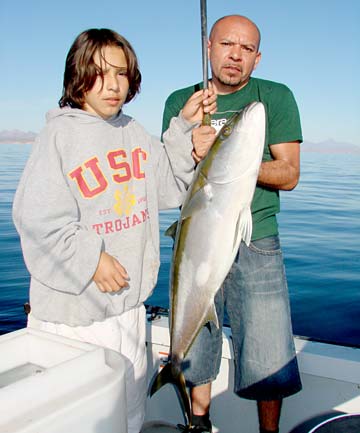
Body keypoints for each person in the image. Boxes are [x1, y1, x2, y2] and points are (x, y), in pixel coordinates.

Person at [12, 28, 216, 433]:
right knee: (83, 422)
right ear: (77, 76)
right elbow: (36, 219)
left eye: (122, 74)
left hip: (127, 314)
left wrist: (184, 134)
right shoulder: (59, 135)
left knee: (128, 418)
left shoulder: (133, 132)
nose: (113, 85)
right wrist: (91, 259)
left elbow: (168, 187)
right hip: (74, 322)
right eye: (100, 72)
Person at [162, 15, 302, 433]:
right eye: (227, 44)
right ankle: (199, 423)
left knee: (268, 348)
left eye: (245, 49)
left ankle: (269, 432)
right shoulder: (182, 102)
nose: (234, 56)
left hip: (256, 238)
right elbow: (171, 178)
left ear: (257, 58)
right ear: (209, 46)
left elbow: (289, 173)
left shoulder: (273, 98)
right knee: (197, 341)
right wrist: (190, 149)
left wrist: (234, 161)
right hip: (197, 238)